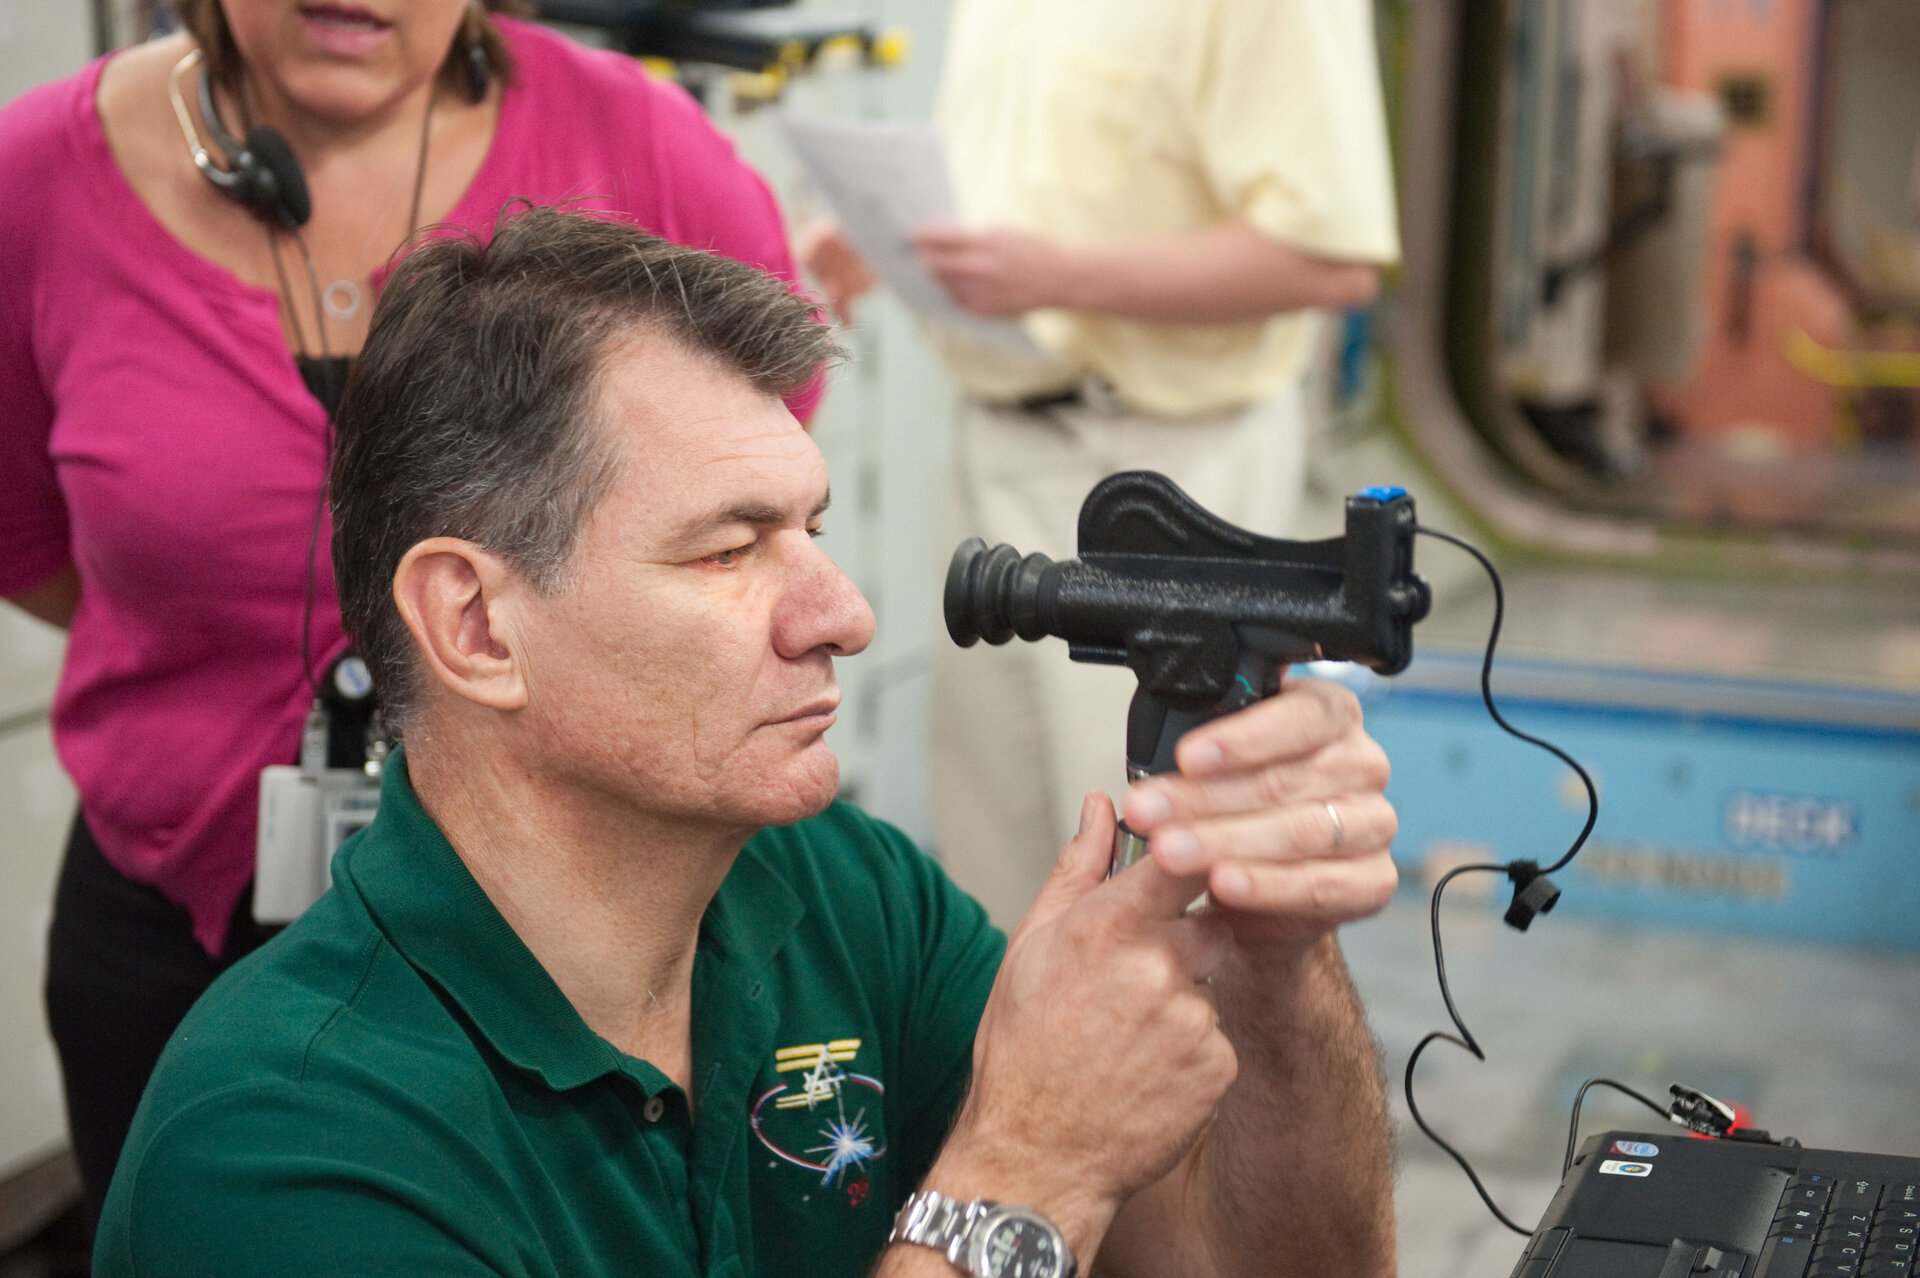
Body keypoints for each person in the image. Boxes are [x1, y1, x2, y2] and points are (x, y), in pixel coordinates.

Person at [95, 206, 1400, 1278]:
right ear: (477, 622)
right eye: (728, 549)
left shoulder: (840, 892)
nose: (842, 614)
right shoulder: (282, 1143)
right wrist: (1023, 1173)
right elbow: (1039, 1187)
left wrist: (1276, 965)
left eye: (812, 529)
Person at [0, 0, 817, 1223]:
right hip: (174, 907)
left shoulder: (640, 149)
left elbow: (753, 491)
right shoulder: (34, 184)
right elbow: (26, 539)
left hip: (563, 939)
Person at [800, 0, 1400, 927]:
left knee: (1151, 876)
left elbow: (1328, 259)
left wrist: (1060, 276)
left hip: (1169, 471)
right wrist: (897, 242)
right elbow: (1038, 186)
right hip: (997, 438)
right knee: (991, 877)